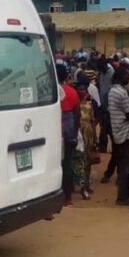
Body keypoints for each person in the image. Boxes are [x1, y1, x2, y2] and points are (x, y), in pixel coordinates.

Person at [108, 66, 129, 205]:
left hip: (119, 131)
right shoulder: (121, 92)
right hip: (125, 133)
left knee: (128, 165)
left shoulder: (113, 91)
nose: (128, 78)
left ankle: (128, 193)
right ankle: (123, 197)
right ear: (121, 77)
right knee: (126, 166)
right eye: (127, 75)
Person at [57, 64, 80, 204]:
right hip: (69, 132)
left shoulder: (50, 91)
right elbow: (77, 114)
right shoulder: (72, 92)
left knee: (57, 164)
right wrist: (75, 133)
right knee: (67, 163)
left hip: (55, 133)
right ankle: (68, 196)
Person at [73, 72, 96, 201]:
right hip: (77, 134)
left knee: (87, 160)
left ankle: (86, 184)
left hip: (88, 135)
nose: (82, 91)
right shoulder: (74, 104)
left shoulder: (89, 104)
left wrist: (95, 139)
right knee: (78, 160)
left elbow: (93, 122)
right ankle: (79, 186)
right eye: (80, 89)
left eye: (84, 89)